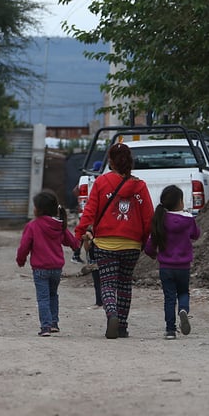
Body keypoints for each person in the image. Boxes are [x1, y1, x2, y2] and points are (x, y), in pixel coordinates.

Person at [74, 142, 154, 339]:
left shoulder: (101, 182)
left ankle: (111, 315)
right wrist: (145, 241)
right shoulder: (140, 186)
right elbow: (148, 218)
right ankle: (122, 327)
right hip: (131, 244)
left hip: (105, 244)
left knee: (108, 284)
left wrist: (78, 234)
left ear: (110, 161)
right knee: (125, 284)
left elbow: (89, 212)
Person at [16, 190, 80, 336]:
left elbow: (24, 246)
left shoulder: (33, 226)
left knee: (43, 297)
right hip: (56, 268)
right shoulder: (59, 224)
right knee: (53, 295)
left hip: (40, 269)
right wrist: (78, 245)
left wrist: (21, 260)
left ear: (39, 209)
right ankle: (54, 323)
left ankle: (45, 327)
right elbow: (71, 241)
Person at [144, 185, 200, 340]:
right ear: (180, 202)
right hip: (183, 267)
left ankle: (170, 330)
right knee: (183, 292)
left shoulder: (160, 219)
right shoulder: (188, 219)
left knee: (169, 297)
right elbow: (196, 235)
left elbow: (150, 244)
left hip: (166, 267)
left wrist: (152, 254)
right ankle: (183, 309)